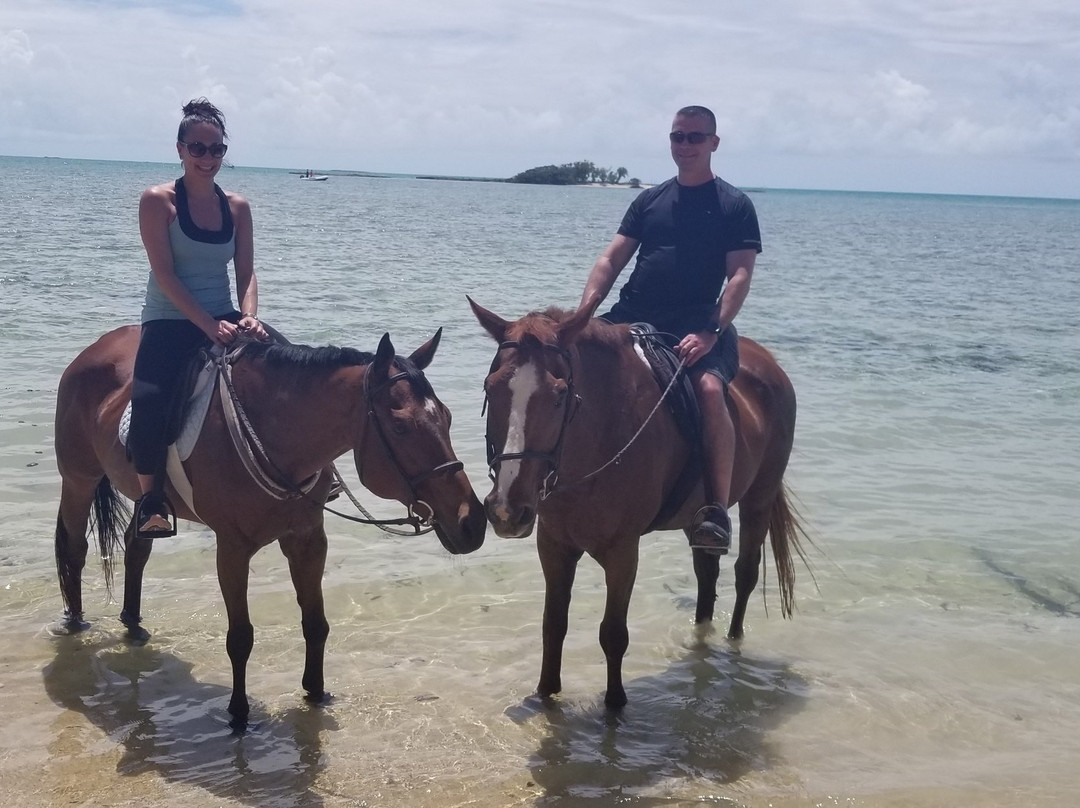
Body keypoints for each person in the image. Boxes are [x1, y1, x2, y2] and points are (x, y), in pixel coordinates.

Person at [578, 105, 761, 556]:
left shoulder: (734, 205)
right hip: (633, 315)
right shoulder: (650, 201)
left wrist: (713, 330)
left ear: (714, 143)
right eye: (678, 137)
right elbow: (611, 259)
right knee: (567, 368)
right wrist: (584, 314)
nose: (685, 145)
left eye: (695, 137)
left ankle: (715, 511)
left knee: (711, 392)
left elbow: (739, 276)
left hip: (698, 325)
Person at [129, 97, 269, 539]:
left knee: (290, 369)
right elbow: (165, 276)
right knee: (149, 402)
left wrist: (249, 316)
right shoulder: (158, 202)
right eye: (198, 148)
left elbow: (246, 272)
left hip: (226, 315)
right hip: (170, 319)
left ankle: (309, 474)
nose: (207, 158)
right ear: (180, 149)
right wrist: (208, 326)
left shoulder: (238, 207)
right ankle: (152, 502)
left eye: (216, 149)